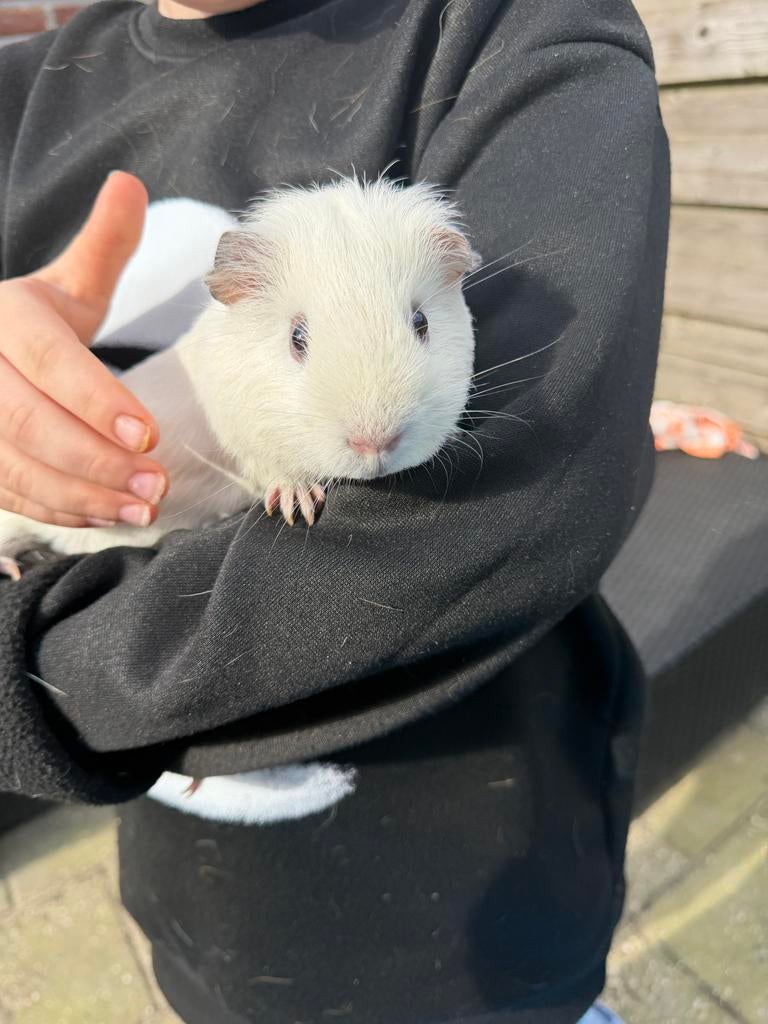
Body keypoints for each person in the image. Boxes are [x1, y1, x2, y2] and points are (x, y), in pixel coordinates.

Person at [0, 0, 669, 1021]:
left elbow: (544, 480)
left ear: (452, 279)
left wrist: (48, 674)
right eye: (304, 340)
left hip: (495, 917)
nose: (374, 428)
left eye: (416, 324)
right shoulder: (24, 91)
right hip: (202, 919)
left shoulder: (509, 30)